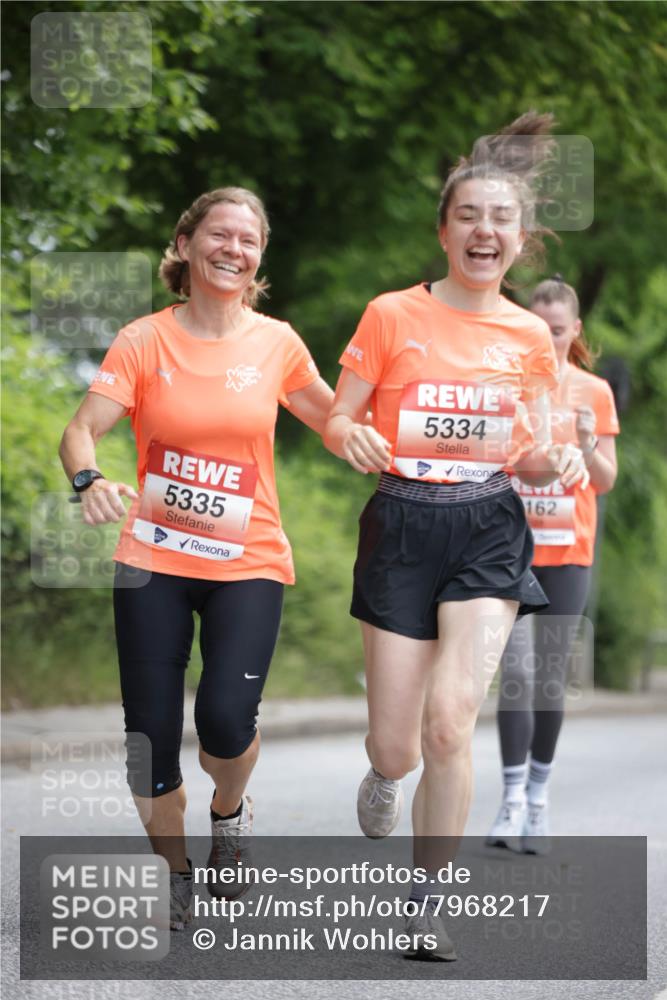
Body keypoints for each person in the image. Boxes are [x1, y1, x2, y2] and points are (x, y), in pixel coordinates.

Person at [324, 112, 591, 962]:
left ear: (520, 241)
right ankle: (384, 772)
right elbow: (339, 416)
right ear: (444, 231)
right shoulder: (390, 314)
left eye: (501, 219)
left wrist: (563, 462)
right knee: (397, 741)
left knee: (450, 725)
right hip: (400, 519)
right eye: (468, 216)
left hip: (487, 526)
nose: (484, 231)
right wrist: (349, 436)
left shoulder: (527, 336)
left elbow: (538, 455)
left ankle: (425, 899)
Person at [59, 187, 333, 930]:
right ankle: (174, 872)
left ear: (259, 258)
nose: (233, 248)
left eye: (249, 239)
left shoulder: (277, 343)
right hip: (153, 557)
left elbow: (337, 422)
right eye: (219, 234)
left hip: (248, 561)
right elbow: (81, 431)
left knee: (222, 719)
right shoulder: (143, 340)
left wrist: (396, 439)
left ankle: (229, 809)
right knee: (148, 736)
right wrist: (88, 479)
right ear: (185, 244)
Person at [487, 275, 619, 854]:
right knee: (513, 676)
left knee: (547, 679)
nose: (548, 338)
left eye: (558, 331)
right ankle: (511, 800)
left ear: (574, 332)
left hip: (568, 552)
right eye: (538, 328)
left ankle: (539, 798)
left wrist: (588, 444)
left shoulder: (594, 391)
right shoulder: (505, 388)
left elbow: (607, 479)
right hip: (510, 551)